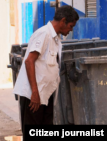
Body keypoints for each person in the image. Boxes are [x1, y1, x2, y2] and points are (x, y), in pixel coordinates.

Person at [13, 5, 79, 135]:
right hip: (34, 96)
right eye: (70, 26)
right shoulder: (44, 34)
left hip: (45, 95)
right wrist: (35, 93)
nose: (70, 30)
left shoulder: (55, 38)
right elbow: (29, 61)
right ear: (63, 21)